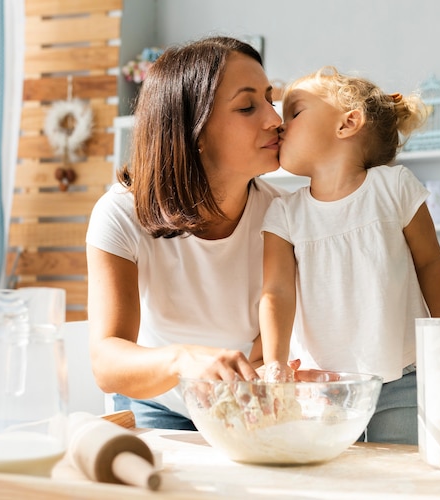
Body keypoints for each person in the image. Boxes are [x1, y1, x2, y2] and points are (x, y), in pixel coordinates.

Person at [85, 37, 284, 429]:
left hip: (248, 400)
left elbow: (276, 339)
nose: (275, 119)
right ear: (194, 132)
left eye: (269, 99)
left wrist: (259, 380)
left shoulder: (285, 214)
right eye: (247, 106)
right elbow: (106, 361)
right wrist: (182, 359)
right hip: (158, 404)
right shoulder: (121, 214)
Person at [259, 66, 440, 444]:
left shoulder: (395, 186)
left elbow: (431, 263)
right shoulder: (283, 213)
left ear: (348, 123)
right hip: (320, 385)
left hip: (403, 375)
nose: (281, 126)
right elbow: (276, 292)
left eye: (294, 113)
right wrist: (275, 364)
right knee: (333, 478)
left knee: (396, 478)